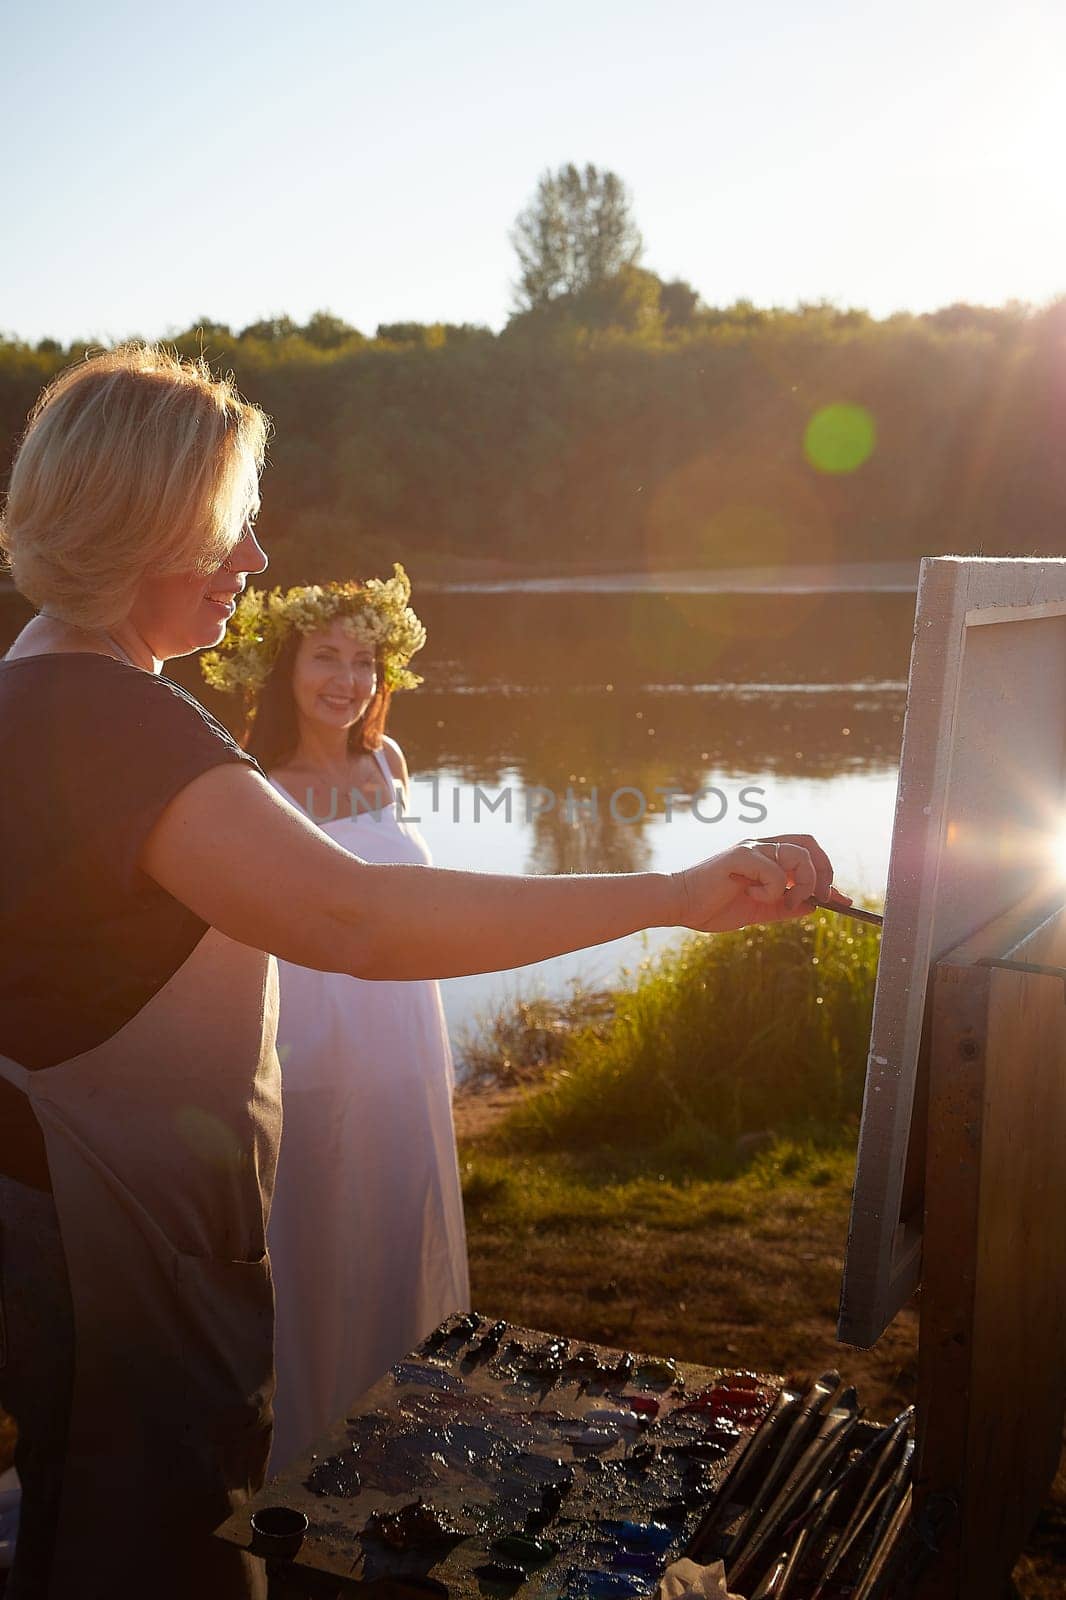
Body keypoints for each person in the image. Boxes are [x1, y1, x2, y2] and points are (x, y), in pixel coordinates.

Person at [0, 344, 846, 1600]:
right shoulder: (116, 724)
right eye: (232, 528)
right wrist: (673, 895)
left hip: (65, 1217)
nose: (256, 561)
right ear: (145, 527)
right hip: (125, 1244)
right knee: (154, 1547)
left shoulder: (34, 694)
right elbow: (363, 920)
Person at [200, 570, 469, 1470]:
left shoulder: (387, 764)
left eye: (365, 661)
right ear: (285, 670)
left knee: (399, 1213)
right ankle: (307, 1437)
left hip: (406, 1038)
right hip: (308, 1044)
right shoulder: (253, 786)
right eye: (327, 658)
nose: (348, 681)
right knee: (315, 1233)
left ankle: (392, 1413)